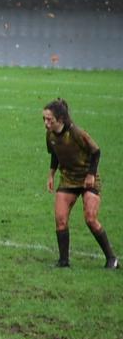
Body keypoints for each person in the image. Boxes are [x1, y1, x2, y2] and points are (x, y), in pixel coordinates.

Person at [43, 98, 117, 268]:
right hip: (68, 179)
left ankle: (111, 258)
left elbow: (96, 151)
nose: (46, 123)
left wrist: (91, 174)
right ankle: (63, 261)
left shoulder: (76, 133)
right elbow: (55, 154)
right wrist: (51, 174)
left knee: (90, 218)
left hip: (87, 179)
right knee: (60, 218)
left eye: (49, 119)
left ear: (60, 119)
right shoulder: (50, 135)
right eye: (44, 119)